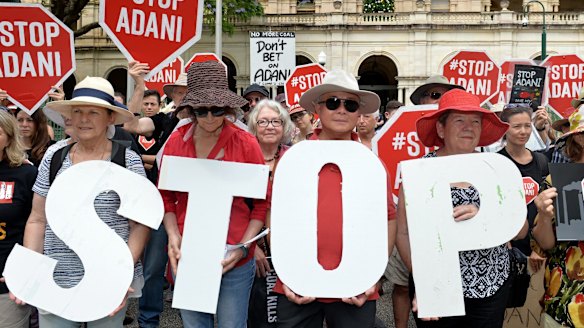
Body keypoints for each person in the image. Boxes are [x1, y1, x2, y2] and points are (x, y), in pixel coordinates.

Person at [15, 76, 151, 327]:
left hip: (107, 282)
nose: (84, 119)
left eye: (93, 112)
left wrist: (121, 276)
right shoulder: (54, 157)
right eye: (77, 111)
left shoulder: (127, 161)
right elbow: (37, 219)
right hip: (55, 281)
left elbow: (140, 225)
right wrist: (31, 269)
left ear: (110, 117)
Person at [273, 69, 397, 328]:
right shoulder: (294, 159)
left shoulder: (372, 164)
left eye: (350, 104)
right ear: (318, 108)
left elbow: (388, 220)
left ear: (359, 112)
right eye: (332, 102)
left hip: (355, 285)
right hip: (299, 283)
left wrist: (373, 276)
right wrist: (286, 273)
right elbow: (277, 216)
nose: (341, 110)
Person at [397, 88, 528, 327]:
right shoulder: (419, 174)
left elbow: (520, 230)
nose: (469, 127)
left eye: (475, 122)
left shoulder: (497, 171)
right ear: (440, 128)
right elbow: (403, 233)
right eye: (459, 120)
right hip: (439, 286)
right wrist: (425, 280)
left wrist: (487, 218)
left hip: (491, 284)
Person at [159, 60, 267, 328]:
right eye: (201, 110)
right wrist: (173, 236)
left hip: (233, 256)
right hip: (189, 252)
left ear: (227, 108)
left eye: (217, 110)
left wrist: (243, 248)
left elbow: (261, 205)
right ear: (190, 109)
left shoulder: (246, 144)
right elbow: (166, 197)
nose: (209, 118)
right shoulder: (176, 141)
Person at [531, 105, 584, 327]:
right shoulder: (558, 183)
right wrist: (543, 216)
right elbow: (546, 244)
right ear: (579, 139)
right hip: (565, 300)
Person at [245, 99, 294, 327]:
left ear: (284, 126)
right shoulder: (243, 159)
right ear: (254, 126)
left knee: (290, 314)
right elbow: (236, 209)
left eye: (276, 121)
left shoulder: (295, 158)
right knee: (260, 315)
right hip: (255, 250)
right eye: (263, 121)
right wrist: (251, 247)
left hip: (292, 251)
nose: (270, 126)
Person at [497, 104, 549, 272]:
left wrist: (539, 248)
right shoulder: (496, 163)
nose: (523, 131)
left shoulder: (541, 161)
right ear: (505, 129)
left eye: (527, 126)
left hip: (539, 247)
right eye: (517, 126)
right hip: (509, 250)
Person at [0, 109, 38, 328]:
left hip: (9, 286)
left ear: (8, 138)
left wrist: (25, 271)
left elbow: (36, 225)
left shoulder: (25, 174)